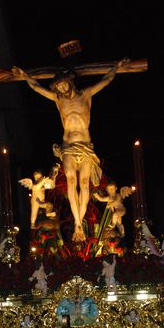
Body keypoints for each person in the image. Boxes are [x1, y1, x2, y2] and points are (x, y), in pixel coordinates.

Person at [12, 59, 129, 242]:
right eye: (58, 86)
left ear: (70, 82)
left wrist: (117, 67)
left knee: (84, 183)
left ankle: (79, 221)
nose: (61, 88)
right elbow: (36, 87)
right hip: (67, 147)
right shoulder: (58, 100)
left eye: (63, 84)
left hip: (85, 147)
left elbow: (105, 80)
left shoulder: (86, 94)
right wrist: (25, 75)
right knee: (72, 180)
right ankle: (77, 223)